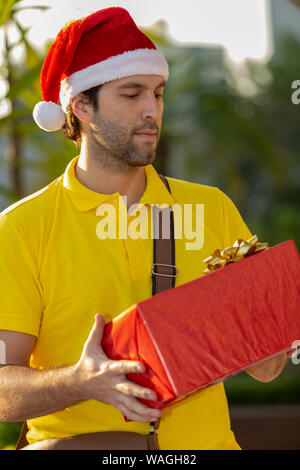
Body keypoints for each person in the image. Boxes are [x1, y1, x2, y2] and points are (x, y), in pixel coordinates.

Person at [0, 7, 288, 450]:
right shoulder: (21, 229)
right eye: (131, 94)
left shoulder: (210, 208)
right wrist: (81, 381)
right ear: (80, 105)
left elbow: (267, 370)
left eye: (158, 93)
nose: (152, 110)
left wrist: (273, 308)